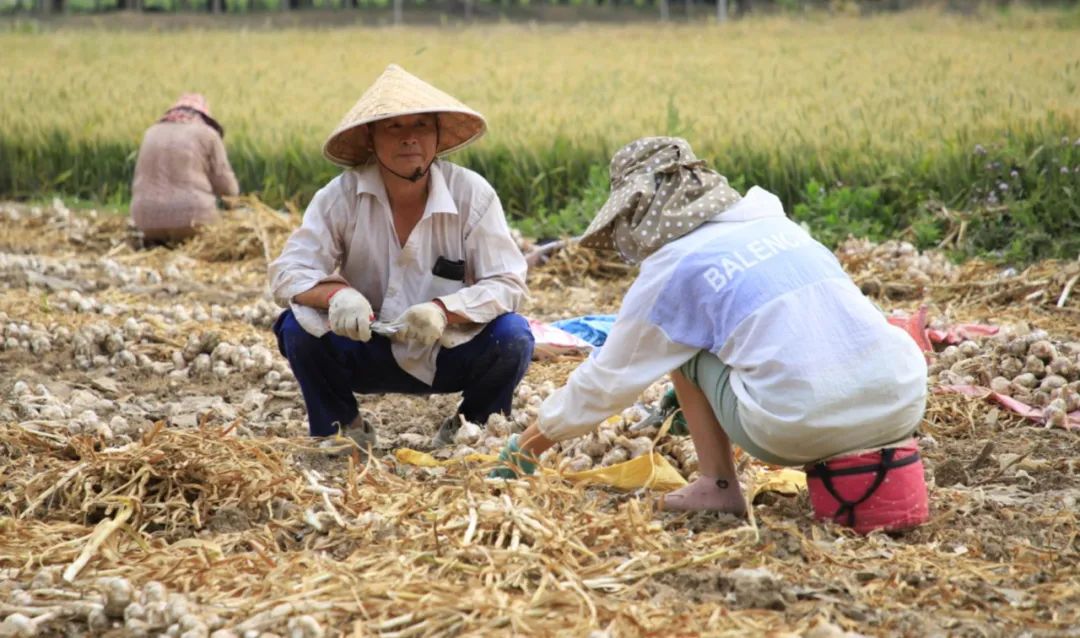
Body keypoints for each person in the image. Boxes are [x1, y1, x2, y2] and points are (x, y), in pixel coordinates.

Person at [491, 137, 930, 535]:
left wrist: (527, 446)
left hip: (796, 425)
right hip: (903, 401)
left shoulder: (674, 267)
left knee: (686, 345)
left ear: (639, 209)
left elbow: (608, 380)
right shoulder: (780, 226)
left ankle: (718, 485)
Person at [268, 64, 533, 453]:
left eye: (422, 126)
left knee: (513, 337)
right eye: (393, 126)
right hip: (365, 342)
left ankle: (471, 426)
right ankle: (341, 427)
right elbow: (288, 271)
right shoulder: (340, 195)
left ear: (437, 137)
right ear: (370, 138)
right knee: (295, 328)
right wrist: (337, 296)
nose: (409, 138)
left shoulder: (472, 195)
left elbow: (508, 283)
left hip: (447, 348)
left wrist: (444, 310)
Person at [130, 93, 239, 245]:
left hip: (145, 220)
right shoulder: (208, 135)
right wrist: (234, 208)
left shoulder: (151, 132)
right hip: (193, 220)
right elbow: (226, 185)